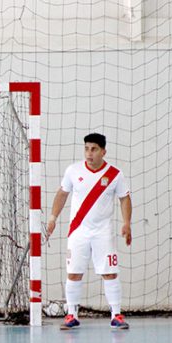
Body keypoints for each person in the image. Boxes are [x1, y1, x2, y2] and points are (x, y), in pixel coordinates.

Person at [46, 132, 132, 330]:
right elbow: (62, 194)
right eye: (86, 149)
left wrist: (126, 223)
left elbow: (125, 198)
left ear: (103, 151)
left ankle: (116, 315)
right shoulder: (73, 171)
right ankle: (71, 315)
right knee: (74, 273)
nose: (89, 153)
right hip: (78, 232)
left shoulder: (115, 174)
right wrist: (52, 218)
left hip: (103, 233)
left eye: (93, 149)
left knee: (110, 273)